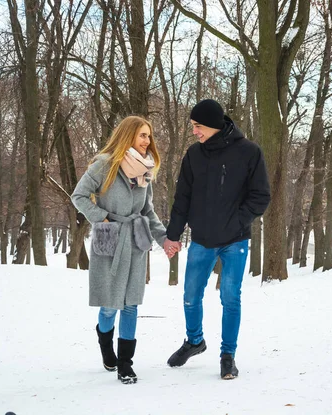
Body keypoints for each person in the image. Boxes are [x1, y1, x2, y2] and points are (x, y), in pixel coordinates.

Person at [163, 99, 271, 380]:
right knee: (190, 296)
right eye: (193, 127)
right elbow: (182, 198)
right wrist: (173, 235)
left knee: (230, 297)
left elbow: (261, 196)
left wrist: (237, 220)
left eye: (197, 126)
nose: (195, 132)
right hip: (201, 239)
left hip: (235, 239)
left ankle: (227, 355)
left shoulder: (249, 152)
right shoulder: (193, 156)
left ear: (212, 124)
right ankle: (194, 341)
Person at [71, 116, 174, 384]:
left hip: (136, 239)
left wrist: (163, 238)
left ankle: (125, 364)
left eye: (148, 136)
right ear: (128, 136)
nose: (147, 141)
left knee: (131, 304)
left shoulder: (145, 170)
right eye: (142, 135)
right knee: (109, 305)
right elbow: (79, 196)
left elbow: (147, 210)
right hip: (109, 236)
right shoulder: (104, 164)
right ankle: (105, 343)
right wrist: (101, 217)